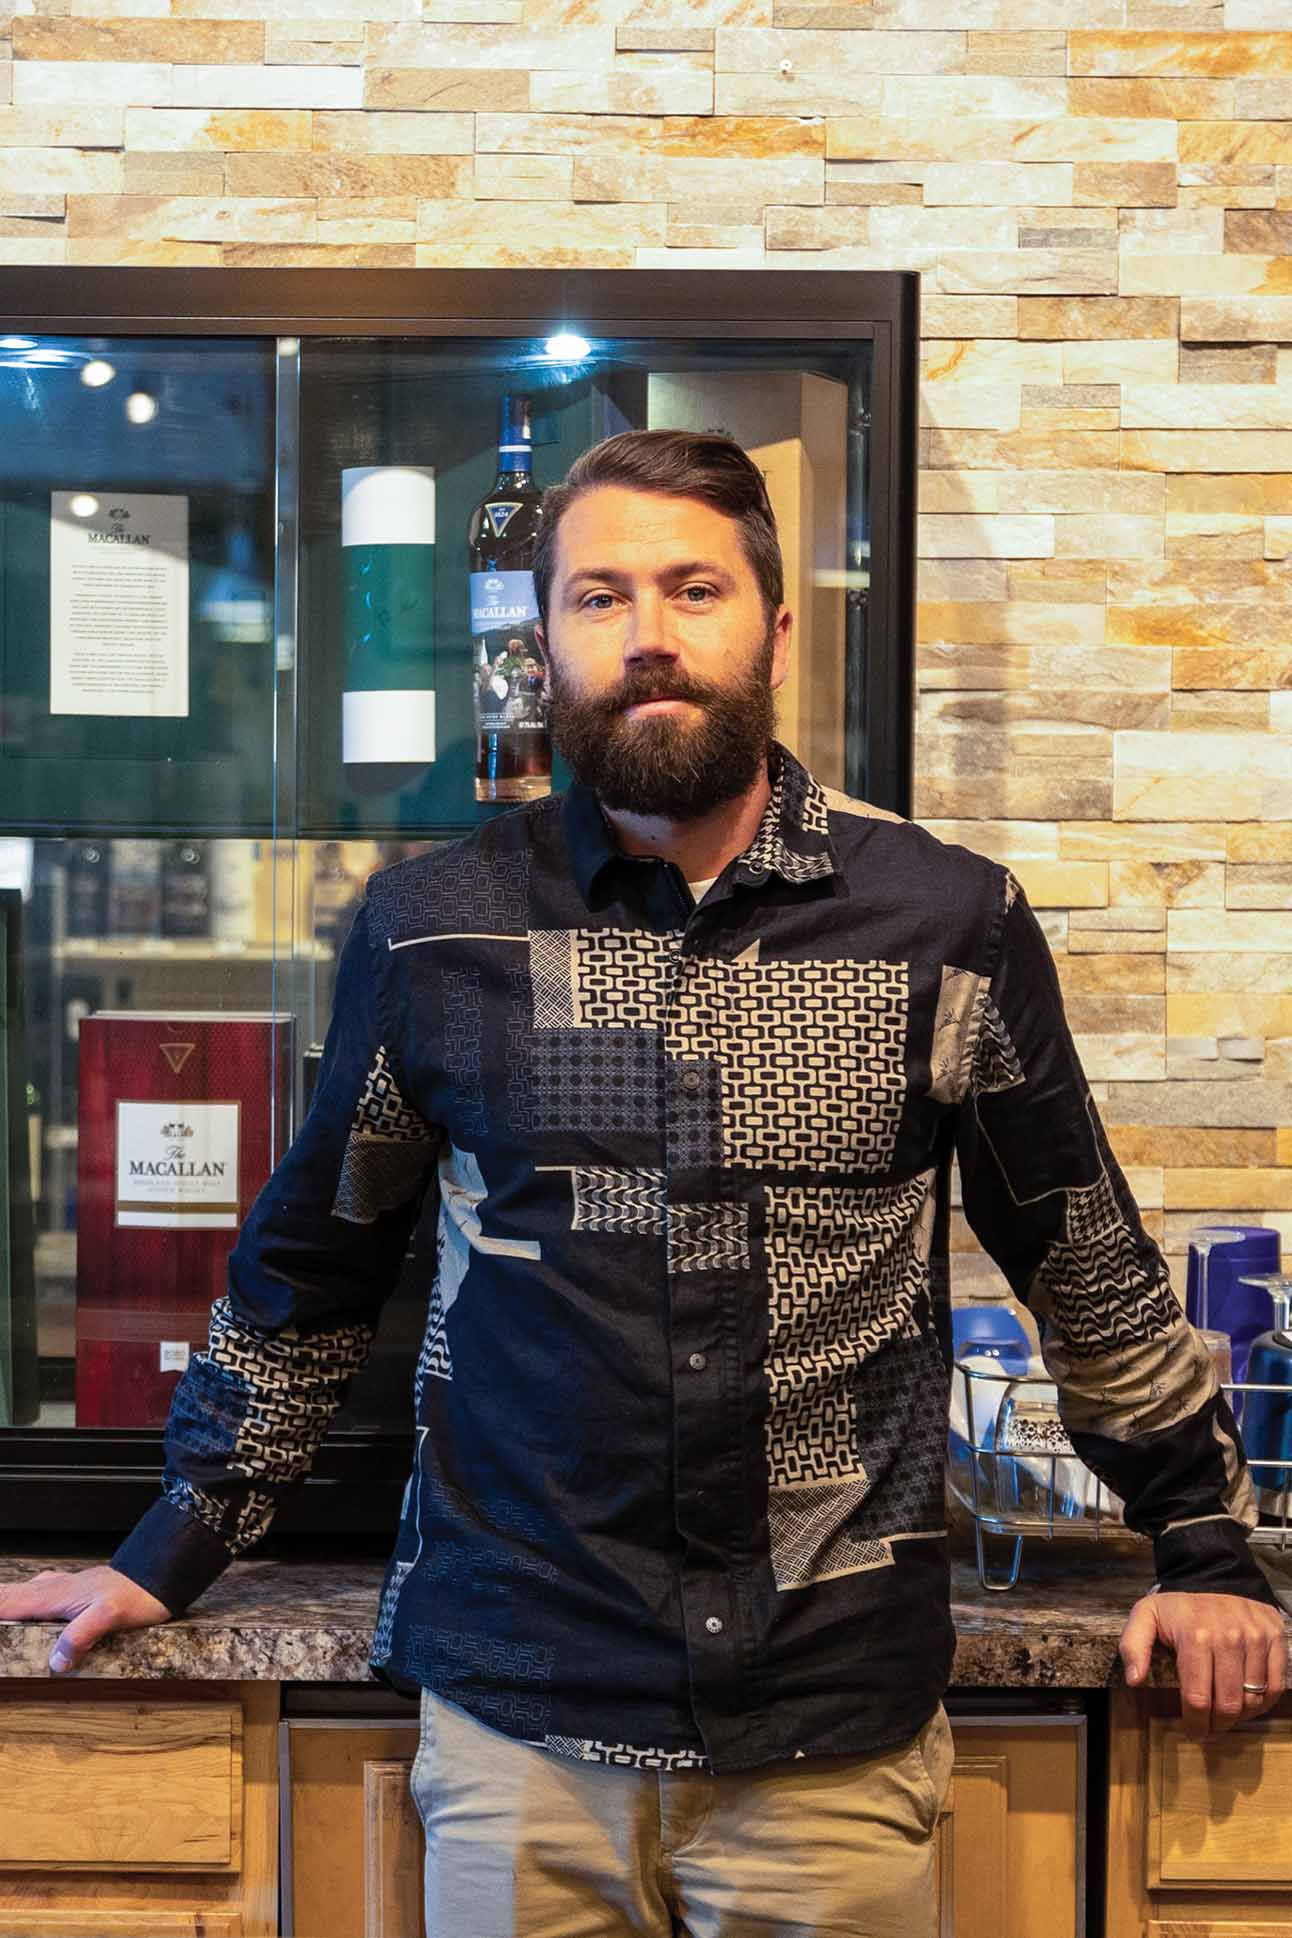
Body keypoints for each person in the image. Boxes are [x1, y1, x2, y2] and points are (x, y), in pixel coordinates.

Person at [0, 429, 1284, 1937]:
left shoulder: (947, 925)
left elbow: (1084, 1262)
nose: (651, 636)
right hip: (516, 1732)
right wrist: (180, 1539)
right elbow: (315, 1267)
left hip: (832, 1742)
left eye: (694, 588)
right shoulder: (435, 933)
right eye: (600, 597)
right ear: (541, 641)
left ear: (775, 626)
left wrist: (1206, 1543)